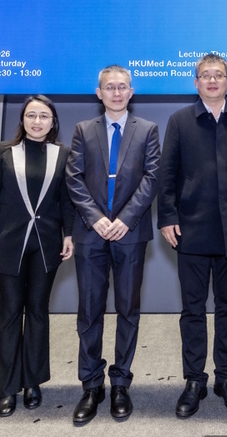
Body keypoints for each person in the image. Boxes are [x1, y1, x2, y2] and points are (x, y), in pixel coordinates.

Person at [157, 52, 227, 418]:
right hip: (190, 229)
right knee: (192, 310)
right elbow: (167, 174)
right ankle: (194, 380)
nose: (212, 80)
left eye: (219, 75)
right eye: (205, 75)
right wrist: (167, 217)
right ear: (196, 82)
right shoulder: (179, 121)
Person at [65, 65, 160, 424]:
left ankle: (120, 383)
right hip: (91, 233)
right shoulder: (82, 130)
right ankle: (91, 386)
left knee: (127, 309)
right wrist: (96, 218)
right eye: (109, 87)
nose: (116, 93)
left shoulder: (148, 130)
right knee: (89, 311)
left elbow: (152, 178)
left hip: (130, 233)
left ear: (131, 92)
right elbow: (73, 178)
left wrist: (123, 220)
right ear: (99, 92)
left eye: (122, 87)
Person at [0, 95, 75, 417]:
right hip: (7, 244)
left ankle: (33, 382)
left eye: (43, 116)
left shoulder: (62, 155)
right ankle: (7, 387)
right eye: (31, 115)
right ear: (22, 120)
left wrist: (69, 234)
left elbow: (66, 200)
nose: (37, 121)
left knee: (37, 312)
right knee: (8, 314)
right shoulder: (3, 152)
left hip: (46, 247)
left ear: (52, 122)